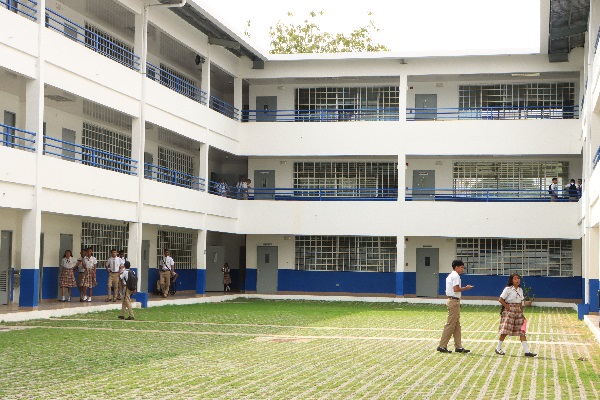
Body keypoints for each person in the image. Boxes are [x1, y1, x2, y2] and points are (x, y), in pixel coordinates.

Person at [495, 273, 537, 357]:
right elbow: (500, 299)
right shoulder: (508, 289)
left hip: (518, 311)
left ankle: (527, 351)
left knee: (522, 331)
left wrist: (521, 312)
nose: (517, 280)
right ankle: (498, 348)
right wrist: (508, 307)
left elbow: (520, 302)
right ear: (511, 280)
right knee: (505, 330)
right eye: (515, 279)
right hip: (509, 311)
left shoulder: (520, 290)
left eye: (518, 278)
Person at [437, 259, 474, 354]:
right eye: (461, 267)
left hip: (453, 300)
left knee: (457, 325)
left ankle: (458, 346)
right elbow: (456, 289)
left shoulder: (451, 275)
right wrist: (466, 288)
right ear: (456, 267)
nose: (462, 269)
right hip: (454, 301)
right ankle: (442, 345)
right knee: (450, 324)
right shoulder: (456, 276)